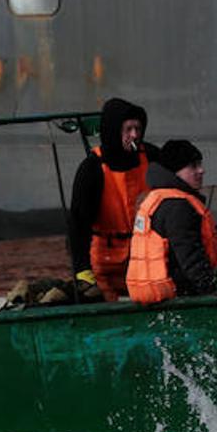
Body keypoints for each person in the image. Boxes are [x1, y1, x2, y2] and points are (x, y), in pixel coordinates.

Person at [68, 97, 159, 301]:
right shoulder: (92, 168)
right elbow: (78, 224)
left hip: (145, 259)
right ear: (113, 130)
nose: (134, 135)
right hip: (105, 264)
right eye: (128, 130)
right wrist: (82, 270)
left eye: (138, 129)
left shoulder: (151, 157)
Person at [127, 139, 217, 302]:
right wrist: (215, 294)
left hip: (157, 297)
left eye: (200, 164)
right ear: (175, 172)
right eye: (193, 166)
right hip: (179, 298)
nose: (202, 170)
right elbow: (190, 259)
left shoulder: (157, 198)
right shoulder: (178, 206)